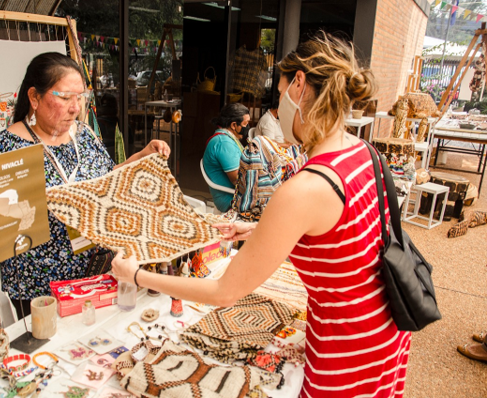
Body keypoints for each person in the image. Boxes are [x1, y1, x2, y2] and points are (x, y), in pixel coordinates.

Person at [113, 33, 410, 397]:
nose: (277, 106)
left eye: (280, 91)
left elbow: (224, 292)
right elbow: (341, 234)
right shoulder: (362, 151)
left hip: (346, 350)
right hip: (384, 333)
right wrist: (256, 228)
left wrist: (139, 275)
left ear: (299, 84)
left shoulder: (305, 185)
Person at [0, 52, 169, 314]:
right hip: (41, 291)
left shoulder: (84, 135)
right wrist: (25, 206)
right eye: (65, 97)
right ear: (34, 98)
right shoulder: (3, 147)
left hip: (100, 273)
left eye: (80, 97)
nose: (76, 107)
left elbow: (105, 178)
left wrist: (141, 157)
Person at [202, 103, 250, 212]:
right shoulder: (223, 143)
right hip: (230, 199)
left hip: (234, 194)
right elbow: (239, 181)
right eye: (245, 123)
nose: (247, 127)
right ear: (234, 125)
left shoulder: (228, 138)